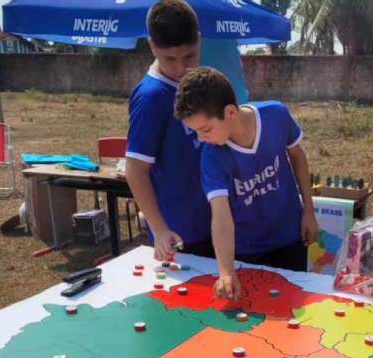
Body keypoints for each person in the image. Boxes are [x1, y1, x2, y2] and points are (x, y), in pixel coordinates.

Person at [174, 67, 318, 301]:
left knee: (294, 307)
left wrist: (308, 212)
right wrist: (226, 272)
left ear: (230, 112)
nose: (201, 138)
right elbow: (220, 216)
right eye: (195, 132)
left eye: (205, 129)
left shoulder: (276, 114)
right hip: (246, 249)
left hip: (290, 236)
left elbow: (298, 157)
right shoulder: (211, 156)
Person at [125, 0, 214, 260]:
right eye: (169, 59)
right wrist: (159, 230)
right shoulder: (152, 96)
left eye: (189, 56)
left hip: (210, 220)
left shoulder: (194, 82)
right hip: (179, 233)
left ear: (198, 41)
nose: (180, 67)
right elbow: (135, 169)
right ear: (152, 46)